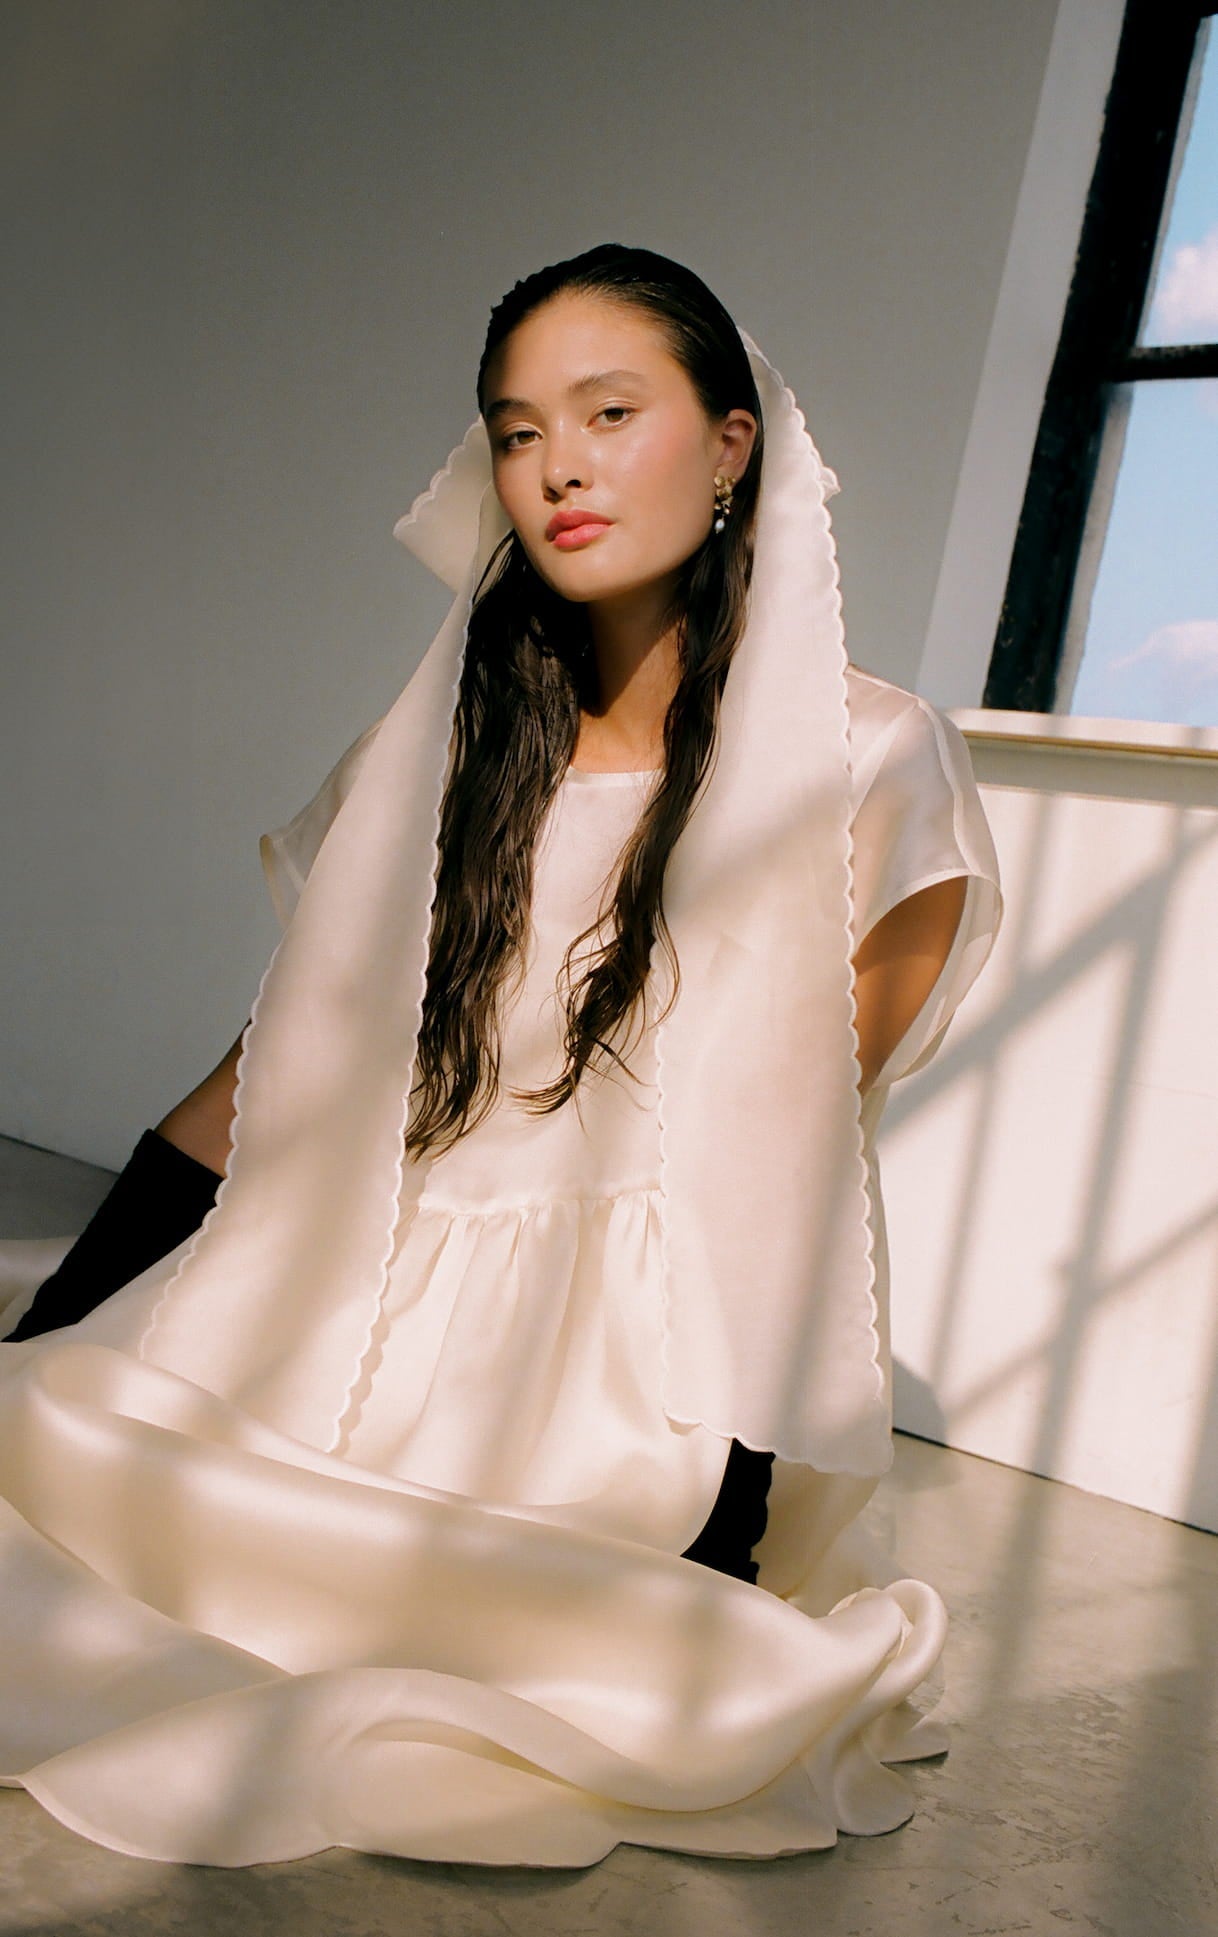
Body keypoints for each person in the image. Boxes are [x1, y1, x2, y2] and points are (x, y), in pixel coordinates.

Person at [0, 243, 1003, 1867]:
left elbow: (797, 1183)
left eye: (612, 412)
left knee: (516, 1661)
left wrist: (721, 1539)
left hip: (624, 1381)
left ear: (732, 443)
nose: (559, 468)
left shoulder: (875, 763)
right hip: (343, 1302)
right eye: (517, 429)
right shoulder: (451, 744)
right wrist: (51, 1333)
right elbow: (271, 1074)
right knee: (54, 1462)